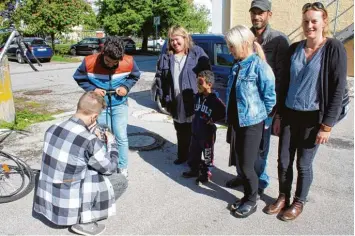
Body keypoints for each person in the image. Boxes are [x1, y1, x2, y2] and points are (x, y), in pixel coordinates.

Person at [264, 2, 347, 221]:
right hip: (290, 114)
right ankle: (283, 196)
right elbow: (284, 85)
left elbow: (338, 89)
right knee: (283, 161)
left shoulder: (333, 48)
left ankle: (299, 201)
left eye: (314, 21)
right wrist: (279, 114)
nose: (309, 25)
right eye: (306, 21)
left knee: (303, 164)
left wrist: (327, 125)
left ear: (324, 22)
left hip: (313, 117)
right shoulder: (295, 48)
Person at [34, 91, 128, 235]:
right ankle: (85, 222)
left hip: (48, 197)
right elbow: (109, 167)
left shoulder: (53, 127)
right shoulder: (89, 140)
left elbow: (73, 149)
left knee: (84, 164)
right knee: (120, 180)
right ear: (94, 117)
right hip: (68, 201)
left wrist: (91, 134)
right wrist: (111, 143)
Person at [226, 0, 289, 197]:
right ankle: (244, 176)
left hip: (262, 110)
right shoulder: (245, 35)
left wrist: (271, 112)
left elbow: (280, 77)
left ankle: (257, 181)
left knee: (258, 152)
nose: (256, 16)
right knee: (240, 150)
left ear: (269, 14)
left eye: (260, 13)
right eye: (253, 12)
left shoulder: (278, 39)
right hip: (243, 110)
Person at [225, 25, 276, 218]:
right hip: (237, 122)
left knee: (247, 166)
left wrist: (263, 120)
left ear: (244, 44)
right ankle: (247, 195)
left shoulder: (259, 66)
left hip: (252, 123)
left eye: (232, 46)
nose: (229, 50)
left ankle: (252, 200)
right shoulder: (237, 64)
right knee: (242, 162)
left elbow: (270, 98)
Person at [73, 36, 141, 178]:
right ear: (103, 53)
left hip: (119, 104)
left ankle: (122, 167)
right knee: (102, 136)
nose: (110, 65)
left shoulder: (128, 61)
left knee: (120, 136)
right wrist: (93, 89)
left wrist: (125, 87)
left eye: (115, 62)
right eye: (108, 61)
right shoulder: (89, 62)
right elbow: (79, 77)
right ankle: (105, 165)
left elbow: (134, 76)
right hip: (100, 106)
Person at [154, 25, 211, 165]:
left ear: (185, 38)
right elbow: (160, 78)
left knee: (195, 131)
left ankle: (196, 161)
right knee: (180, 129)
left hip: (193, 99)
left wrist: (205, 94)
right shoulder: (166, 56)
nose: (174, 43)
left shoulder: (197, 52)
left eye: (177, 39)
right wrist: (163, 98)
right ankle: (182, 155)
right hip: (175, 100)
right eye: (171, 40)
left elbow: (207, 74)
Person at [181, 70, 226, 184]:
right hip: (196, 130)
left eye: (200, 83)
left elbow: (224, 111)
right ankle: (194, 170)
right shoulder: (197, 97)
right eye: (197, 83)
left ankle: (206, 174)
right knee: (194, 152)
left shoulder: (214, 99)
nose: (198, 86)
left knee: (207, 155)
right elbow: (192, 109)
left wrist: (213, 119)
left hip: (207, 134)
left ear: (209, 85)